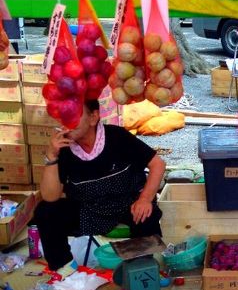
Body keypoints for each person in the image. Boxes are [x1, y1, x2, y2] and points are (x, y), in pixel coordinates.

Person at [34, 99, 166, 275]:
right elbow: (51, 197)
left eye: (73, 115)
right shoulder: (64, 150)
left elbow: (157, 164)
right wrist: (51, 156)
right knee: (46, 211)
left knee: (146, 215)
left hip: (128, 204)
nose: (66, 123)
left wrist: (144, 199)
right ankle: (65, 270)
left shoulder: (117, 137)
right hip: (89, 210)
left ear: (93, 117)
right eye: (64, 117)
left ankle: (142, 271)